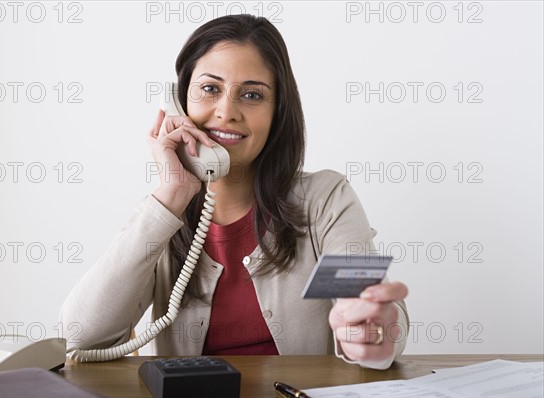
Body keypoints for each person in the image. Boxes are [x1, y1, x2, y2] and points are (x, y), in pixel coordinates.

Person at [60, 14, 409, 370]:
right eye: (210, 89)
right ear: (180, 105)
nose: (226, 112)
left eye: (252, 94)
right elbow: (81, 338)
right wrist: (174, 192)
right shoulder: (161, 219)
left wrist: (372, 332)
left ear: (277, 113)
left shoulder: (326, 199)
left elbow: (370, 306)